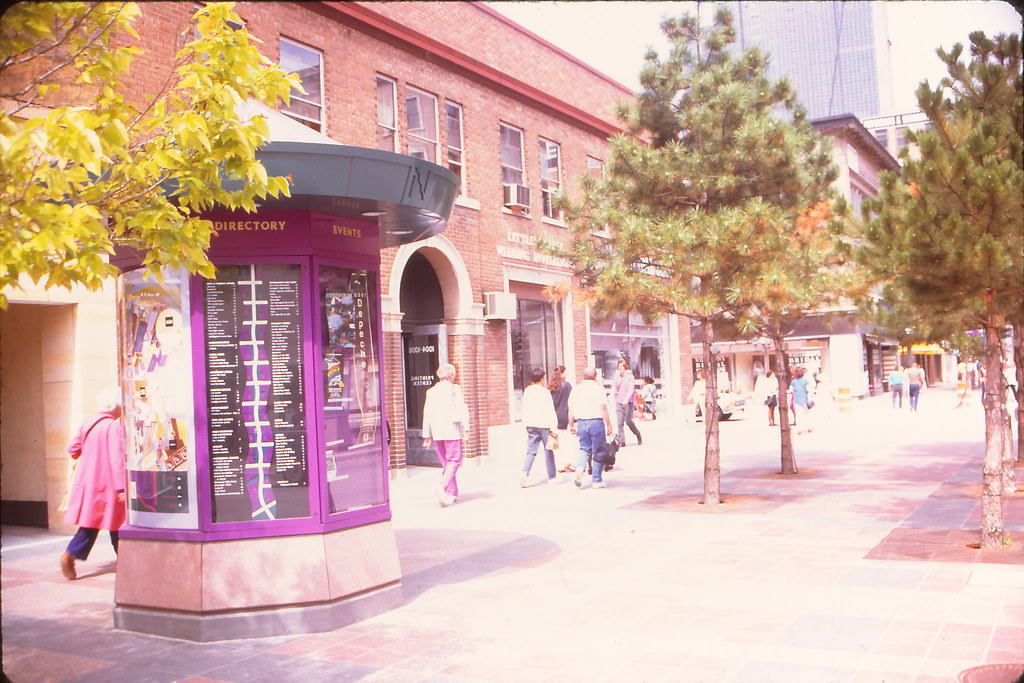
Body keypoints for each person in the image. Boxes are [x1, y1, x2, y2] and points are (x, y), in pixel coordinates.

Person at [60, 387, 127, 580]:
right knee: (118, 524)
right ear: (116, 406)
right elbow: (116, 459)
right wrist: (121, 488)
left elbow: (73, 449)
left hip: (88, 483)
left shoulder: (88, 424)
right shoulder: (114, 427)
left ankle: (70, 554)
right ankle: (126, 559)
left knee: (90, 524)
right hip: (109, 485)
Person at [422, 363, 470, 507]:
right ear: (450, 376)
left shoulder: (431, 391)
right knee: (454, 460)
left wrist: (426, 435)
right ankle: (442, 486)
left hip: (437, 431)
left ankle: (452, 492)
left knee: (446, 463)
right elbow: (461, 408)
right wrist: (466, 428)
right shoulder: (455, 389)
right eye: (454, 375)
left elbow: (427, 413)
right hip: (451, 429)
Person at [568, 367, 614, 489]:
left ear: (583, 376)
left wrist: (571, 424)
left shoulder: (576, 390)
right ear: (595, 376)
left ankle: (579, 471)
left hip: (581, 423)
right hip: (596, 422)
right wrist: (609, 424)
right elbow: (603, 408)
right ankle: (596, 480)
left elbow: (571, 409)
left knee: (584, 449)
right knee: (598, 451)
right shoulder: (598, 390)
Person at [521, 367, 558, 487]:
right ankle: (552, 477)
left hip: (531, 424)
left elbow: (524, 408)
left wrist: (526, 423)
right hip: (544, 424)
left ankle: (524, 474)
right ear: (542, 379)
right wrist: (554, 427)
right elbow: (550, 410)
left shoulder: (527, 391)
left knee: (531, 451)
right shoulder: (545, 392)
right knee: (548, 451)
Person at [549, 365, 575, 472]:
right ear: (563, 373)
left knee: (557, 442)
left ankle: (559, 465)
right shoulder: (567, 386)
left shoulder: (551, 386)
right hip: (565, 416)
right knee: (567, 441)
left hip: (554, 417)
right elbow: (571, 402)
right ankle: (567, 463)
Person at [613, 359, 642, 446]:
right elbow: (614, 388)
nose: (620, 369)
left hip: (628, 402)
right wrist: (615, 395)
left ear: (625, 367)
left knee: (628, 421)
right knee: (619, 422)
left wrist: (626, 399)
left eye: (621, 367)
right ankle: (622, 441)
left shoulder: (630, 377)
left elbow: (631, 389)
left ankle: (638, 434)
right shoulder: (617, 377)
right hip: (619, 401)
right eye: (619, 367)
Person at [789, 367, 814, 434]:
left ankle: (799, 429)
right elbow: (808, 390)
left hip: (796, 400)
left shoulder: (793, 382)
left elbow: (791, 391)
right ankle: (809, 427)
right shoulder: (805, 381)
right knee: (806, 414)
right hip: (804, 400)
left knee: (798, 415)